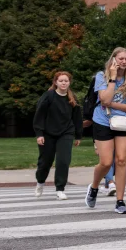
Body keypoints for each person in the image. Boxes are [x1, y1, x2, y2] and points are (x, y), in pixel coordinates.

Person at [84, 47, 126, 214]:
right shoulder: (102, 77)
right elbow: (104, 98)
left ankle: (120, 201)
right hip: (102, 121)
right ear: (114, 60)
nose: (124, 61)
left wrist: (113, 105)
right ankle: (94, 187)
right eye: (120, 58)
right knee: (106, 162)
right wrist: (113, 78)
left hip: (123, 122)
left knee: (121, 160)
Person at [33, 71, 83, 200]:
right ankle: (40, 182)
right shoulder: (48, 96)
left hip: (66, 133)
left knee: (63, 161)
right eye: (61, 80)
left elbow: (77, 118)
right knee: (45, 162)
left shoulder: (72, 98)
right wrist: (39, 134)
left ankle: (60, 189)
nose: (63, 83)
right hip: (48, 133)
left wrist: (78, 135)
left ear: (69, 83)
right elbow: (40, 115)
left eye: (66, 81)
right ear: (55, 82)